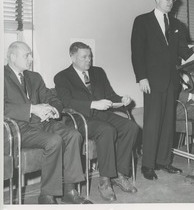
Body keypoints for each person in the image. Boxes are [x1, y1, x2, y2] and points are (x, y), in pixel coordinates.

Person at [4, 41, 92, 204]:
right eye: (26, 55)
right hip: (18, 128)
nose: (30, 59)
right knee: (54, 141)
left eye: (30, 54)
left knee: (73, 134)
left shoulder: (34, 77)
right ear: (13, 56)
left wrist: (53, 110)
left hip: (42, 124)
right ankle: (47, 195)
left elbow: (52, 98)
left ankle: (69, 190)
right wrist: (31, 109)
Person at [54, 42, 139, 202]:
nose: (88, 60)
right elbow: (66, 102)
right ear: (72, 57)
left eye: (90, 56)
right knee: (107, 130)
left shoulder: (98, 72)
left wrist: (122, 99)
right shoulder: (62, 77)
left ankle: (118, 174)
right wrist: (92, 104)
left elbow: (110, 94)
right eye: (84, 57)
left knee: (131, 127)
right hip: (79, 118)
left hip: (101, 115)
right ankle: (105, 181)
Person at [131, 0, 194, 180]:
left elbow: (184, 52)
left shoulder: (177, 25)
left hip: (172, 81)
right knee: (152, 123)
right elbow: (137, 52)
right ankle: (148, 165)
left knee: (168, 123)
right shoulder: (142, 21)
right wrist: (141, 77)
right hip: (151, 81)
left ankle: (164, 161)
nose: (170, 2)